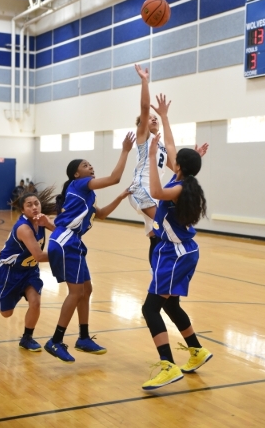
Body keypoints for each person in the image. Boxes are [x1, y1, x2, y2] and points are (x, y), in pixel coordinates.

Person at [44, 132, 135, 363]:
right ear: (77, 174)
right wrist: (125, 150)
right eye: (86, 165)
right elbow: (114, 177)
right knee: (76, 292)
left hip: (73, 242)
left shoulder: (88, 194)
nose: (90, 166)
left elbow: (101, 214)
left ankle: (83, 337)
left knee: (87, 290)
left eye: (90, 164)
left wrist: (121, 197)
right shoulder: (80, 184)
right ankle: (55, 340)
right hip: (66, 240)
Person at [141, 109, 213, 390]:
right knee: (170, 304)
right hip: (181, 251)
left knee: (149, 309)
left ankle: (168, 366)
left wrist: (150, 156)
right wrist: (165, 118)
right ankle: (197, 351)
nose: (170, 159)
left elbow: (156, 193)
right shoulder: (185, 181)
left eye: (175, 161)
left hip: (175, 254)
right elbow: (171, 148)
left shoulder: (178, 188)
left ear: (178, 167)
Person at [128, 64, 209, 266]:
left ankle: (158, 270)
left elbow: (176, 160)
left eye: (155, 118)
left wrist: (192, 158)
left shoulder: (160, 146)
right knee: (167, 224)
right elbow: (145, 108)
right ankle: (164, 269)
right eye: (150, 119)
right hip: (141, 190)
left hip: (154, 193)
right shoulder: (143, 138)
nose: (152, 119)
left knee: (156, 234)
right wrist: (144, 81)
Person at [0, 189, 56, 352]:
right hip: (9, 270)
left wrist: (48, 224)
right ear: (23, 210)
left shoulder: (42, 220)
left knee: (36, 302)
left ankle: (27, 338)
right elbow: (39, 256)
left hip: (30, 270)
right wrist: (66, 256)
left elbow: (61, 233)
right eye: (29, 205)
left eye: (36, 203)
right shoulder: (23, 228)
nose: (34, 207)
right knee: (6, 314)